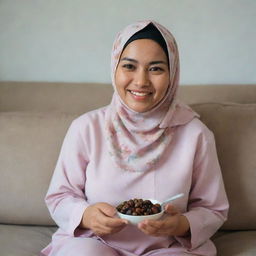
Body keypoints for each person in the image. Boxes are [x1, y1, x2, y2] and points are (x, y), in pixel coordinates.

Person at [41, 20, 229, 256]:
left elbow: (212, 208)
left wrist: (181, 224)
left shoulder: (196, 134)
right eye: (129, 66)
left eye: (156, 68)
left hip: (169, 248)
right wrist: (86, 216)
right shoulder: (86, 128)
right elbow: (60, 196)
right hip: (95, 242)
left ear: (173, 74)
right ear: (115, 68)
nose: (141, 81)